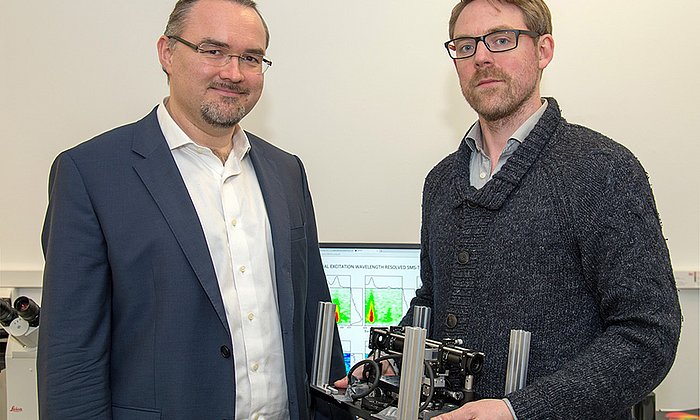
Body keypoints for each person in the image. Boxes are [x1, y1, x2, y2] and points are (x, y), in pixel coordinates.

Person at [38, 0, 347, 419]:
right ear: (167, 52)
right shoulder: (91, 174)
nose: (233, 73)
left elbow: (315, 322)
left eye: (251, 58)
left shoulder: (286, 171)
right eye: (213, 50)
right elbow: (72, 360)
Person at [400, 0, 682, 419]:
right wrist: (396, 358)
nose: (481, 57)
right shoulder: (440, 181)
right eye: (465, 45)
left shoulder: (602, 170)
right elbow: (434, 298)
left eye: (500, 39)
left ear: (543, 50)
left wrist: (519, 411)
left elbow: (647, 335)